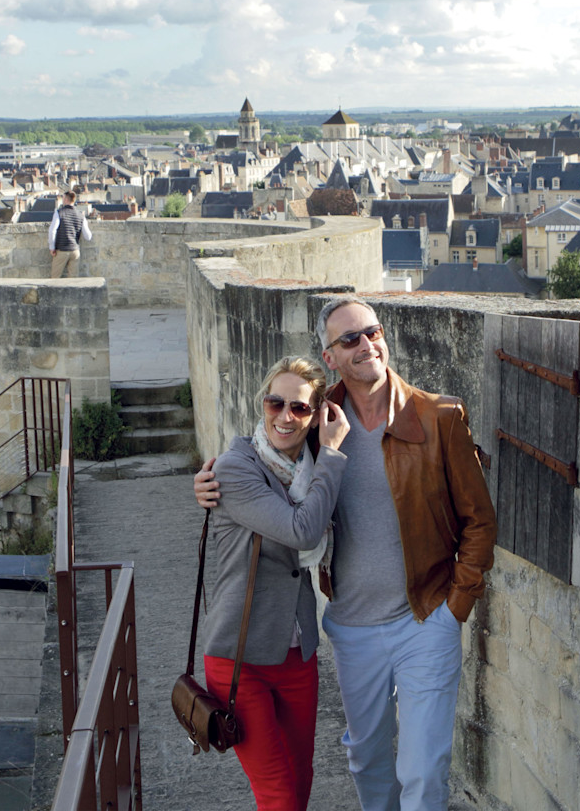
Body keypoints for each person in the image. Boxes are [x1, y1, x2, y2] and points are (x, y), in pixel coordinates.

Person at [195, 297, 496, 811]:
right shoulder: (316, 421)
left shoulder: (437, 417)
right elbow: (263, 460)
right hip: (353, 628)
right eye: (350, 339)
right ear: (329, 356)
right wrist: (205, 483)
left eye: (372, 332)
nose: (366, 345)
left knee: (423, 771)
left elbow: (479, 520)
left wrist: (455, 608)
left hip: (426, 619)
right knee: (367, 760)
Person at [200, 355, 350, 811]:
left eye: (300, 408)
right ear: (262, 403)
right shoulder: (234, 467)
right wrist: (333, 454)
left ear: (317, 413)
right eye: (275, 402)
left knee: (300, 782)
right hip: (240, 657)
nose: (285, 416)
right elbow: (303, 531)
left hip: (297, 653)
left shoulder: (310, 469)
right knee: (278, 796)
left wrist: (325, 459)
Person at [47, 189, 91, 278]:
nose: (62, 201)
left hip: (62, 250)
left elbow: (52, 230)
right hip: (75, 250)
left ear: (66, 200)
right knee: (73, 280)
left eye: (63, 198)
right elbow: (88, 236)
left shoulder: (59, 213)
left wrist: (52, 247)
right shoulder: (81, 215)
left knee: (54, 279)